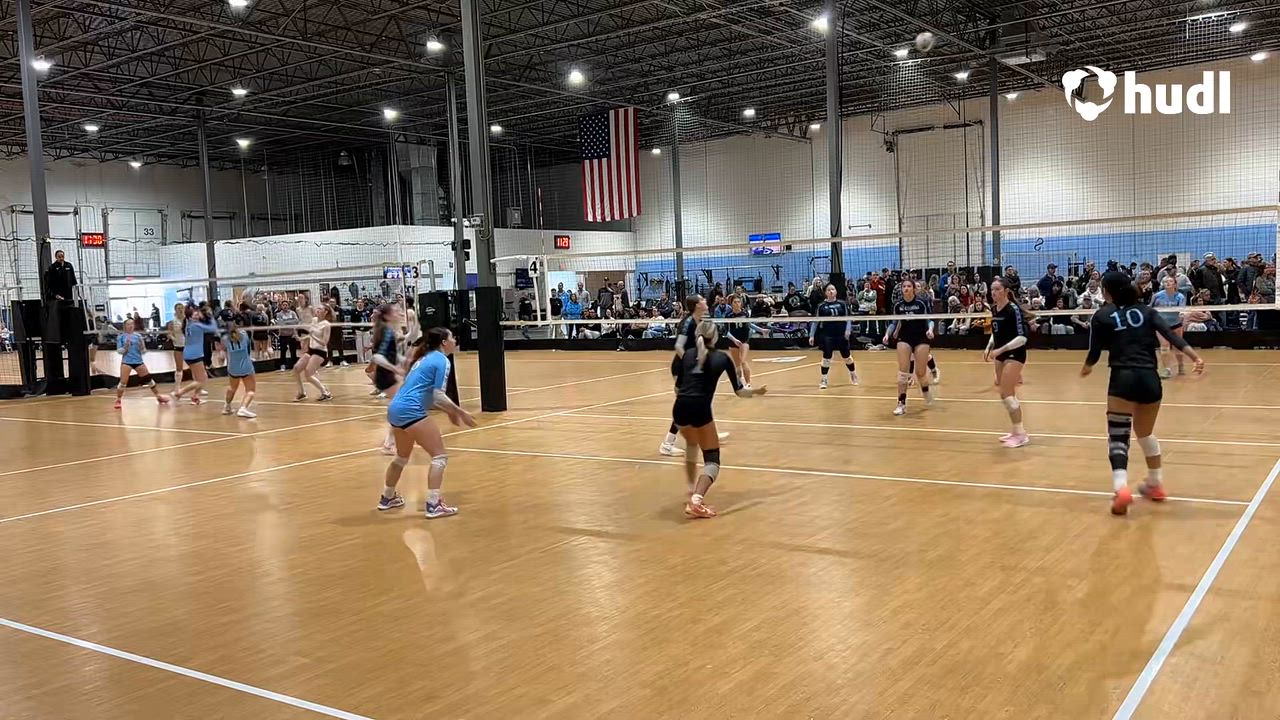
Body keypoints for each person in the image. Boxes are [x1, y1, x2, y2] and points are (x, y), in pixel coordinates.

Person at [1082, 271, 1205, 516]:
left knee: (1118, 436)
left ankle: (1121, 489)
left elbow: (1094, 352)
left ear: (1106, 291)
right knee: (1145, 434)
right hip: (1150, 379)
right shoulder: (1147, 312)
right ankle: (1155, 483)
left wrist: (1087, 367)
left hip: (1123, 378)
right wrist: (1195, 357)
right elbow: (1171, 336)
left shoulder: (1102, 315)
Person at [671, 319, 766, 518]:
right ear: (715, 337)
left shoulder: (687, 354)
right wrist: (756, 391)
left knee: (691, 445)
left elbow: (677, 387)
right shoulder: (722, 358)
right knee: (712, 459)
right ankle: (696, 500)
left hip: (679, 408)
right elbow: (740, 392)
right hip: (700, 409)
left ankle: (691, 489)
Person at [379, 328, 476, 518]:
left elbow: (427, 395)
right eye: (452, 337)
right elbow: (437, 396)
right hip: (411, 411)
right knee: (440, 457)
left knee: (401, 457)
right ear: (444, 342)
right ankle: (434, 504)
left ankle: (387, 497)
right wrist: (459, 411)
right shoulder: (442, 360)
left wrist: (450, 411)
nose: (455, 341)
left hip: (395, 409)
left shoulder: (424, 359)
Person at [984, 278, 1031, 448]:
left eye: (997, 289)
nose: (993, 293)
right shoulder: (994, 309)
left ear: (1006, 291)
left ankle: (1022, 435)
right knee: (1004, 394)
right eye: (992, 289)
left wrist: (1000, 350)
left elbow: (1022, 338)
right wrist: (989, 345)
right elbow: (996, 331)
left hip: (1014, 354)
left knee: (1008, 394)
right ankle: (1016, 431)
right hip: (1000, 354)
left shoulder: (1013, 310)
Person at [884, 279, 934, 416]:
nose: (906, 288)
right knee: (903, 373)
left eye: (908, 286)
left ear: (914, 289)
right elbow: (893, 323)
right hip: (905, 338)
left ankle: (926, 391)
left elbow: (930, 319)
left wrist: (930, 330)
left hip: (921, 337)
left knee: (920, 373)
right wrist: (887, 334)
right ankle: (901, 403)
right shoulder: (898, 305)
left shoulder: (921, 303)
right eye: (904, 286)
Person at [808, 284, 858, 389]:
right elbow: (815, 322)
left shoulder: (842, 304)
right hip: (827, 335)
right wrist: (811, 335)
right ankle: (824, 380)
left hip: (841, 334)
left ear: (836, 291)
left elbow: (848, 318)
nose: (831, 291)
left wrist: (848, 330)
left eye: (833, 289)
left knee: (847, 357)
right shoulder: (821, 306)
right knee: (826, 357)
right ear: (825, 293)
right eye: (828, 290)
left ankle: (853, 374)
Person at [113, 318, 170, 409]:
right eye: (128, 324)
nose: (131, 326)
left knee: (148, 379)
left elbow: (143, 351)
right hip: (126, 362)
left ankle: (159, 396)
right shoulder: (121, 337)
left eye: (132, 324)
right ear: (125, 326)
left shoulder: (138, 336)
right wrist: (125, 347)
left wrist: (142, 346)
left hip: (138, 361)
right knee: (123, 382)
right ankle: (118, 400)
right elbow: (119, 351)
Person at [171, 306, 219, 404]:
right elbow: (213, 328)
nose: (198, 315)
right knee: (201, 380)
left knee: (202, 376)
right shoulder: (196, 325)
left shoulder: (188, 324)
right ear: (190, 317)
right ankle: (180, 392)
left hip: (190, 353)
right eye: (195, 314)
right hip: (195, 355)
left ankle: (195, 396)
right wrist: (210, 316)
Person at [293, 305, 334, 402]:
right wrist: (301, 338)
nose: (317, 310)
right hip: (311, 350)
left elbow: (324, 342)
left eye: (320, 309)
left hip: (320, 352)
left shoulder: (326, 325)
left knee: (308, 373)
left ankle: (325, 393)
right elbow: (310, 335)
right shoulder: (314, 320)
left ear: (326, 312)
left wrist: (313, 336)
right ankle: (301, 393)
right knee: (296, 369)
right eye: (317, 308)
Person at [1150, 275, 1187, 378]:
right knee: (1164, 346)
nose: (1168, 283)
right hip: (1161, 325)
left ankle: (1180, 365)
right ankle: (1167, 369)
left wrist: (1182, 315)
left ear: (1175, 284)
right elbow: (1150, 308)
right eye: (1166, 281)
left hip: (1176, 324)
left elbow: (1182, 310)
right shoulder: (1157, 296)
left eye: (1170, 281)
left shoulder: (1180, 296)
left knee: (1177, 346)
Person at [220, 315, 258, 418]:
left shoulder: (224, 339)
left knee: (232, 387)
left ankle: (227, 407)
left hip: (233, 367)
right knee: (250, 390)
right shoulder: (244, 335)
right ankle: (243, 408)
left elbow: (222, 353)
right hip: (246, 366)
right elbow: (248, 346)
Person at [723, 295, 761, 388]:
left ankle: (748, 384)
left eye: (739, 302)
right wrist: (734, 340)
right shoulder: (728, 315)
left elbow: (749, 325)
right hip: (733, 340)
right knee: (737, 364)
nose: (737, 304)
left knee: (743, 361)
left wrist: (761, 330)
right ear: (731, 304)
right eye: (735, 302)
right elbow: (726, 332)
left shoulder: (745, 313)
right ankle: (739, 384)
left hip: (744, 340)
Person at [274, 301, 301, 371]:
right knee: (283, 350)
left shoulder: (293, 313)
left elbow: (296, 321)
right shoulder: (279, 314)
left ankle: (294, 364)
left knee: (293, 350)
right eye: (283, 305)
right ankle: (283, 364)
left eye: (286, 305)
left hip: (292, 334)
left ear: (288, 306)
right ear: (281, 306)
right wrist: (290, 321)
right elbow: (280, 323)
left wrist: (285, 322)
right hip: (283, 335)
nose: (285, 306)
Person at [165, 303, 186, 389]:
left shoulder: (189, 321)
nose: (180, 310)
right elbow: (169, 334)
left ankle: (198, 388)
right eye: (178, 308)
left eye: (182, 308)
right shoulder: (172, 322)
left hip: (189, 346)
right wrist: (174, 339)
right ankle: (177, 388)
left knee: (194, 367)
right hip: (178, 346)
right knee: (179, 368)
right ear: (175, 310)